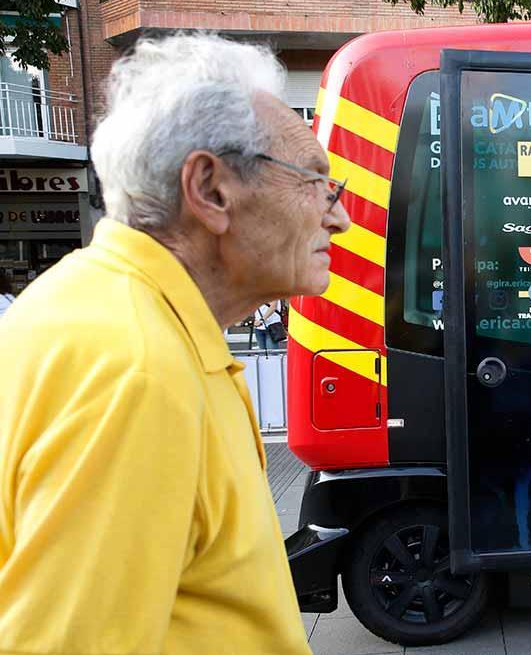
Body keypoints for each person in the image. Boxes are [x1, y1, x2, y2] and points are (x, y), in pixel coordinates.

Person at [0, 35, 350, 653]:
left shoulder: (99, 310)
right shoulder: (136, 372)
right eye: (314, 180)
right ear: (211, 189)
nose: (337, 216)